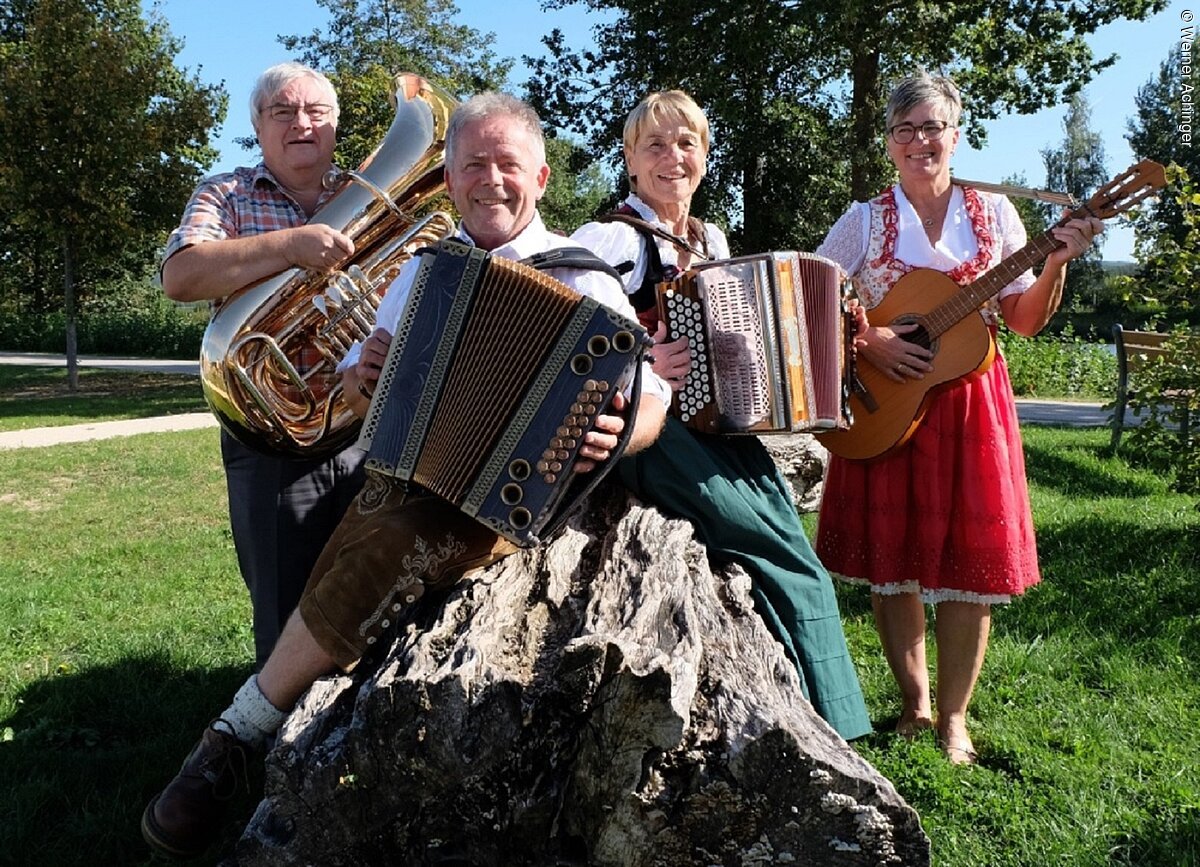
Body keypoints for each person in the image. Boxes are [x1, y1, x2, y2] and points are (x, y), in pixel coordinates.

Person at [141, 92, 670, 860]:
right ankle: (267, 727)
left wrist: (622, 432)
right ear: (450, 181)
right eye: (472, 165)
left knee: (386, 541)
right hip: (416, 474)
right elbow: (366, 374)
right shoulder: (425, 271)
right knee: (370, 530)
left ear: (543, 177)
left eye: (507, 164)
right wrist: (363, 376)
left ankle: (233, 736)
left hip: (518, 504)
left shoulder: (585, 279)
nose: (491, 180)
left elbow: (650, 395)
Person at [814, 71, 1103, 764]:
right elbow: (805, 296)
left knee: (967, 568)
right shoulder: (865, 219)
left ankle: (953, 719)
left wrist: (1057, 262)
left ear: (956, 134)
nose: (920, 141)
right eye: (906, 129)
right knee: (896, 564)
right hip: (887, 404)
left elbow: (1025, 321)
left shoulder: (996, 217)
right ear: (889, 143)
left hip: (972, 405)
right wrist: (865, 337)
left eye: (933, 127)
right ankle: (912, 706)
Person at [573, 90, 872, 742]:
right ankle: (823, 728)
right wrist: (637, 349)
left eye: (686, 144)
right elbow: (560, 322)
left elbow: (749, 340)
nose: (672, 157)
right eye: (654, 145)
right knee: (781, 556)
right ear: (629, 160)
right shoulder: (612, 237)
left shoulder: (709, 239)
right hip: (654, 435)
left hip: (717, 430)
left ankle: (812, 719)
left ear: (706, 157)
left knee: (792, 550)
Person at [161, 62, 365, 670]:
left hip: (367, 422)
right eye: (283, 111)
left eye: (316, 112)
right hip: (273, 436)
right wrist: (287, 248)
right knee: (282, 601)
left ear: (334, 124)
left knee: (372, 583)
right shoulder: (227, 193)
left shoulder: (368, 191)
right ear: (258, 125)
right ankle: (276, 746)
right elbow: (181, 275)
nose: (302, 123)